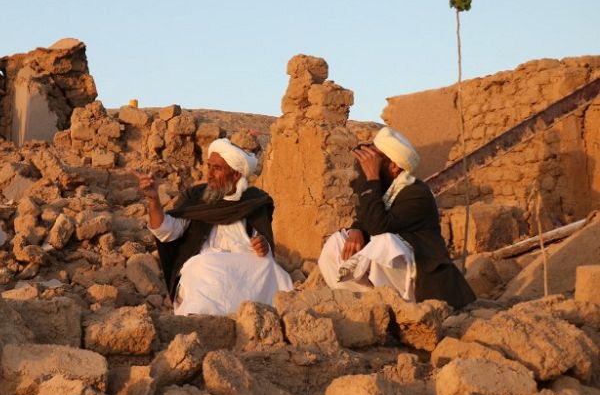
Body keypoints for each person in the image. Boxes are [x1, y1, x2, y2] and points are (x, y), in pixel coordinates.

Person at [318, 126, 475, 309]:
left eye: (376, 160)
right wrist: (356, 229)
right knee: (336, 242)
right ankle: (365, 304)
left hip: (421, 280)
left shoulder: (417, 193)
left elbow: (379, 226)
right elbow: (366, 213)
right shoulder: (385, 186)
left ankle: (398, 307)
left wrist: (372, 177)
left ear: (394, 166)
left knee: (385, 244)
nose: (370, 163)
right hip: (394, 273)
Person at [135, 138, 292, 315]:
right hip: (206, 267)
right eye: (209, 166)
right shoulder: (196, 197)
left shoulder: (253, 201)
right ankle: (202, 318)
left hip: (241, 266)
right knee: (205, 265)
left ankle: (256, 315)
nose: (209, 174)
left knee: (268, 266)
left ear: (235, 175)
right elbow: (165, 231)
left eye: (216, 168)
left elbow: (263, 244)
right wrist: (153, 200)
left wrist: (263, 247)